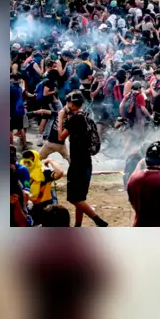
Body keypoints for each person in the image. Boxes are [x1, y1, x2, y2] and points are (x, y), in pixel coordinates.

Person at [56, 92, 109, 227]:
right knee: (80, 197)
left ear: (72, 104)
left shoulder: (75, 119)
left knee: (73, 198)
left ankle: (98, 220)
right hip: (86, 162)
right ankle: (78, 225)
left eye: (68, 103)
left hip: (77, 163)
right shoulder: (84, 117)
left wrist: (60, 118)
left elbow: (61, 137)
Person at [20, 149, 65, 226]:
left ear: (36, 158)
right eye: (26, 158)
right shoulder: (21, 173)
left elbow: (60, 172)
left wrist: (51, 160)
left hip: (45, 208)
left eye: (31, 157)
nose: (28, 161)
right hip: (29, 208)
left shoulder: (44, 173)